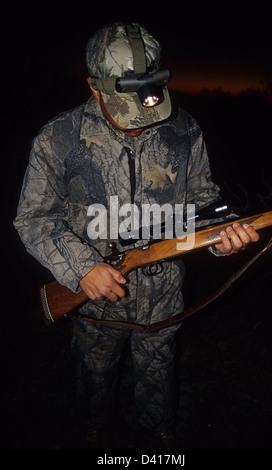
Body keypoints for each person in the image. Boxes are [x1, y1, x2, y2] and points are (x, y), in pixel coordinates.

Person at [14, 22, 259, 449]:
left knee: (159, 367)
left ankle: (157, 427)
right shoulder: (58, 139)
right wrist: (82, 267)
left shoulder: (183, 130)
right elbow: (33, 217)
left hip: (164, 291)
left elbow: (204, 202)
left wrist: (224, 233)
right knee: (94, 371)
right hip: (97, 294)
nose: (137, 122)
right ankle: (93, 429)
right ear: (93, 86)